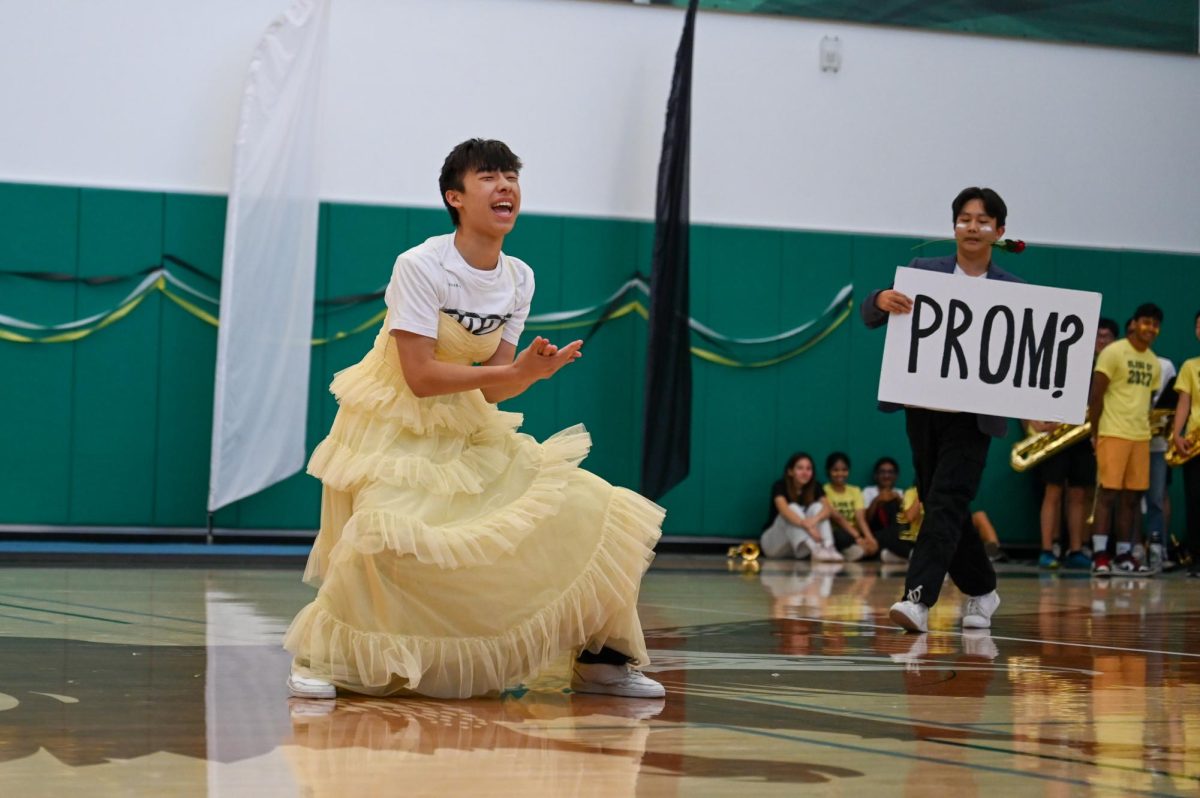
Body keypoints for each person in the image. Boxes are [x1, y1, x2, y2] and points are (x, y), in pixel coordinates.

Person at [284, 139, 666, 701]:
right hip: (391, 423)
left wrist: (532, 373)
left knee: (592, 505)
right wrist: (505, 376)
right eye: (489, 176)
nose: (506, 185)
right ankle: (325, 656)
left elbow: (492, 389)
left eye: (512, 175)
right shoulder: (420, 266)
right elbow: (419, 376)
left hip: (463, 424)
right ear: (455, 197)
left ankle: (602, 659)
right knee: (382, 531)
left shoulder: (519, 278)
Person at [861, 186, 1018, 633]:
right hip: (924, 408)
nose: (973, 227)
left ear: (999, 231)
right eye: (965, 219)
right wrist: (880, 300)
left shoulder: (1014, 291)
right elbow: (869, 312)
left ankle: (918, 598)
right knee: (940, 500)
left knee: (947, 498)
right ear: (954, 227)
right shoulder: (921, 272)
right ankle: (983, 589)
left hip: (976, 419)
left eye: (983, 220)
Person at [1028, 319, 1116, 570]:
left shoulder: (1102, 367)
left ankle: (1076, 549)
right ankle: (1047, 549)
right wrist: (1037, 422)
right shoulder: (1060, 361)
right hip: (1058, 435)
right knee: (1053, 491)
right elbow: (1035, 392)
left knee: (1079, 493)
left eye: (1104, 337)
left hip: (1084, 436)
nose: (1098, 342)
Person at [1089, 304, 1163, 576]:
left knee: (1131, 498)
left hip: (1140, 436)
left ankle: (1123, 554)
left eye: (1155, 324)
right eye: (1146, 322)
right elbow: (1096, 396)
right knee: (1107, 494)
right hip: (1112, 432)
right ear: (1133, 324)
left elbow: (1147, 402)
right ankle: (1099, 555)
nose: (1150, 328)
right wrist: (1095, 432)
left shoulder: (1154, 362)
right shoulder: (1113, 352)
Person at [760, 452, 843, 562]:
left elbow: (827, 509)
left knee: (818, 507)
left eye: (808, 469)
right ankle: (816, 549)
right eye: (800, 468)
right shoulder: (780, 485)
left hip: (797, 549)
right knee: (792, 508)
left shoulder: (816, 486)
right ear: (790, 471)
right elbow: (784, 510)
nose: (805, 472)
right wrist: (807, 525)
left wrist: (814, 520)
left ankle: (828, 547)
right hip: (774, 544)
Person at [1170, 310, 1200, 578]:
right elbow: (1184, 402)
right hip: (1195, 442)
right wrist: (1177, 434)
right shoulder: (1191, 366)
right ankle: (1196, 558)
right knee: (1195, 501)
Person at [823, 452, 880, 562]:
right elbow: (838, 518)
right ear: (828, 471)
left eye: (844, 470)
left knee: (877, 540)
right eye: (835, 470)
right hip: (839, 534)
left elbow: (860, 518)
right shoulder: (824, 491)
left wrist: (869, 538)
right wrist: (858, 537)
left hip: (856, 535)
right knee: (840, 536)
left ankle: (859, 551)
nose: (840, 474)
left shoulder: (855, 490)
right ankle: (855, 551)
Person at [862, 457, 914, 564]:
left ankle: (895, 556)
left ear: (896, 475)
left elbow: (908, 519)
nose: (886, 476)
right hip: (876, 534)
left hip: (897, 533)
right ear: (876, 475)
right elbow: (866, 520)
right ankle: (911, 555)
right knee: (886, 537)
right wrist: (877, 501)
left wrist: (898, 500)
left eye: (890, 472)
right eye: (883, 472)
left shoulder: (900, 493)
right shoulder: (868, 492)